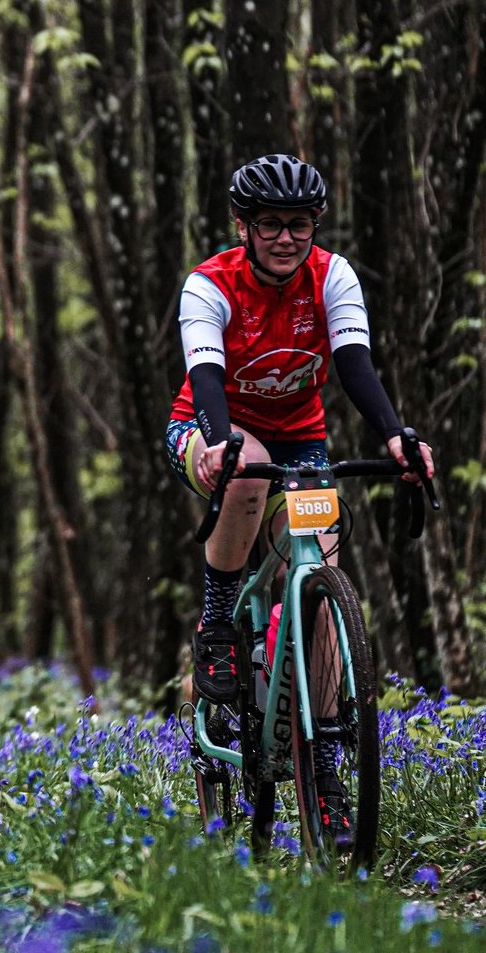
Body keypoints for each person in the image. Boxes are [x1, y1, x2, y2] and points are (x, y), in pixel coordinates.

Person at [165, 153, 434, 839]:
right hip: (210, 428)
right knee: (248, 473)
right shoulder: (210, 285)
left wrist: (397, 435)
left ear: (313, 225)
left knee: (319, 584)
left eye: (297, 225)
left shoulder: (331, 275)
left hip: (304, 441)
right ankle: (220, 621)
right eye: (270, 225)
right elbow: (206, 372)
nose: (285, 238)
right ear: (244, 227)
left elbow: (353, 365)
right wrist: (222, 442)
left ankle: (323, 766)